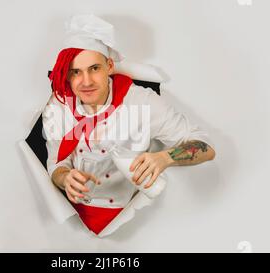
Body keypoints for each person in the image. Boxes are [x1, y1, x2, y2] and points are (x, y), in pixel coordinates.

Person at [42, 14, 216, 235]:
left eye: (94, 68)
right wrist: (65, 177)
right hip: (72, 217)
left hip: (130, 218)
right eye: (76, 72)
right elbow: (55, 163)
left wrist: (165, 157)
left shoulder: (142, 102)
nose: (85, 81)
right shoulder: (58, 106)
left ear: (109, 66)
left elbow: (206, 146)